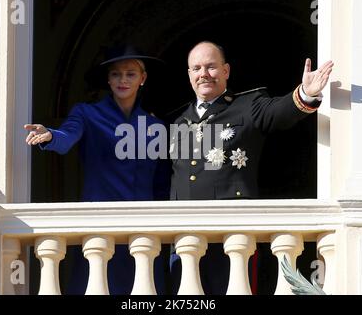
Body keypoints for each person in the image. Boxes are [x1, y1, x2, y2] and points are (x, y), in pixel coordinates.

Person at [169, 41, 334, 294]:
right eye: (197, 68)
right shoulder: (178, 119)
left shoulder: (247, 106)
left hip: (232, 235)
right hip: (185, 239)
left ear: (226, 71)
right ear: (189, 74)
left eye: (211, 67)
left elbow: (279, 112)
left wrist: (305, 94)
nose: (204, 73)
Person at [24, 46, 171, 294]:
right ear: (108, 79)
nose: (122, 80)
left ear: (142, 78)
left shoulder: (155, 125)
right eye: (115, 74)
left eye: (130, 74)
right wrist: (49, 136)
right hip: (101, 226)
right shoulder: (87, 113)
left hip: (144, 230)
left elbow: (163, 182)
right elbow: (67, 137)